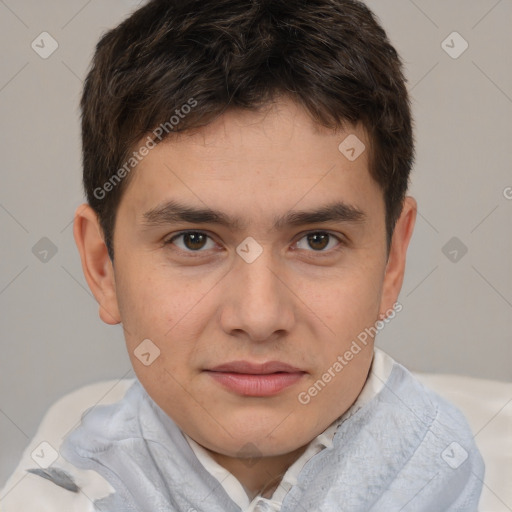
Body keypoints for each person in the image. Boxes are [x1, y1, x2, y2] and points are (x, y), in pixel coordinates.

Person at [0, 0, 484, 510]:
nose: (258, 317)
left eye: (317, 240)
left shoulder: (444, 464)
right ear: (103, 266)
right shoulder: (62, 490)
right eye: (194, 240)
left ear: (391, 261)